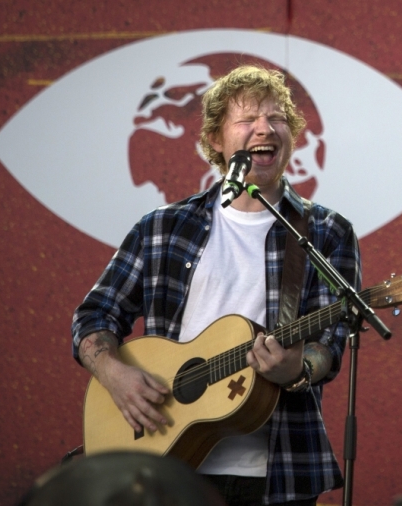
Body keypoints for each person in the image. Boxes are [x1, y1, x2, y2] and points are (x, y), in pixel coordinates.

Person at [71, 65, 362, 506]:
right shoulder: (163, 228)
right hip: (162, 460)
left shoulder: (325, 231)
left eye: (277, 117)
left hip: (279, 472)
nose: (265, 128)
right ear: (215, 140)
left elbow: (330, 342)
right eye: (247, 120)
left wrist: (298, 370)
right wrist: (115, 374)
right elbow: (94, 315)